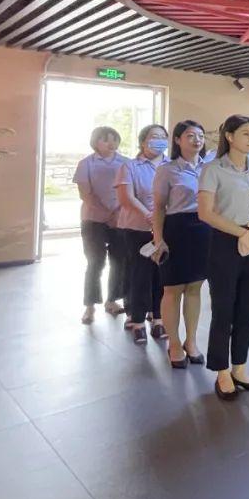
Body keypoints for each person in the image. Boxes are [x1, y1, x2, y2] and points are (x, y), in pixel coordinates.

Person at [198, 115, 249, 401]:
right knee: (224, 308)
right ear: (229, 136)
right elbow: (205, 213)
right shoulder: (213, 169)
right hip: (225, 241)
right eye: (245, 133)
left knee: (247, 307)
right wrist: (241, 233)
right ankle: (221, 371)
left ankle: (240, 367)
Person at [151, 121, 210, 368]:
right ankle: (174, 344)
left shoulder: (210, 167)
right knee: (173, 289)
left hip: (204, 230)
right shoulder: (167, 169)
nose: (197, 140)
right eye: (190, 135)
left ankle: (191, 341)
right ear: (177, 140)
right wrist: (159, 239)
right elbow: (158, 208)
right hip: (177, 230)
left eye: (200, 135)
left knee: (195, 288)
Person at [115, 124, 170, 344]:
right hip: (137, 228)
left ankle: (158, 318)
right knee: (140, 274)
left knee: (162, 275)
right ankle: (137, 320)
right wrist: (149, 215)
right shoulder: (130, 166)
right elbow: (126, 197)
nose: (159, 140)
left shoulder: (171, 165)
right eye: (154, 136)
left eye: (163, 137)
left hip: (165, 229)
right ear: (143, 141)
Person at [75, 126, 129, 324]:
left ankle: (112, 300)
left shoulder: (126, 163)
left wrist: (117, 213)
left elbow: (130, 191)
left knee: (119, 261)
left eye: (114, 139)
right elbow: (85, 194)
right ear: (95, 142)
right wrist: (107, 213)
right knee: (95, 262)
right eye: (106, 139)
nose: (111, 143)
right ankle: (90, 306)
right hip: (93, 220)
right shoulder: (86, 163)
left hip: (120, 219)